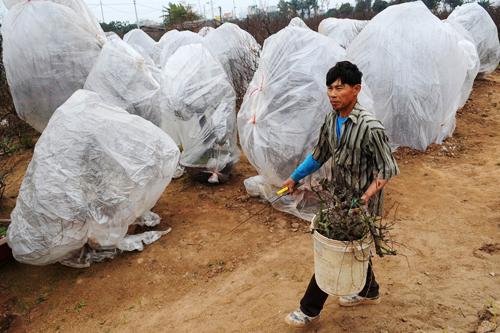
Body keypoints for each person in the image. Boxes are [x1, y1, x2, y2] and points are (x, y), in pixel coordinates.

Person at [283, 61, 400, 328]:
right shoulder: (331, 120)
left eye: (340, 88)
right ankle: (369, 289)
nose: (333, 94)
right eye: (329, 88)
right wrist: (294, 177)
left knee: (335, 252)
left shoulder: (371, 127)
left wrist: (366, 197)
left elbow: (387, 170)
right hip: (340, 198)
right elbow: (319, 154)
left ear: (356, 89)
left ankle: (309, 309)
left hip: (361, 204)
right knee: (354, 248)